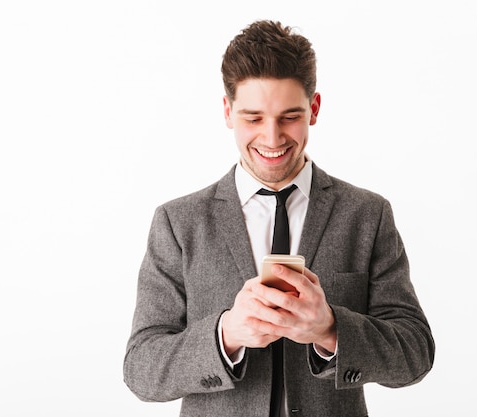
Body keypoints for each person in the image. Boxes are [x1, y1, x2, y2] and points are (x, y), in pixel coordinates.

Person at [123, 20, 435, 417]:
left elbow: (415, 353)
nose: (272, 139)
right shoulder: (178, 223)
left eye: (289, 117)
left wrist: (331, 328)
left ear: (314, 109)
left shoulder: (367, 215)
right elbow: (140, 369)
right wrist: (227, 334)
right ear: (227, 111)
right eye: (253, 118)